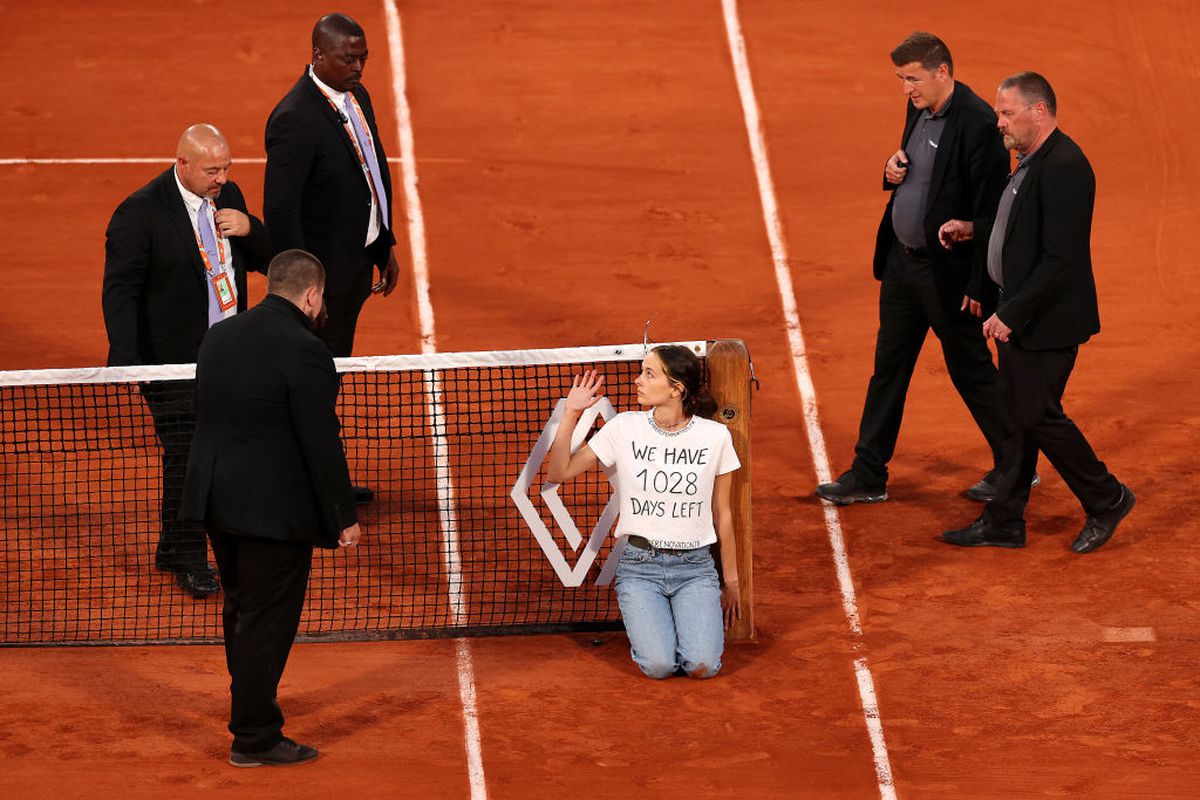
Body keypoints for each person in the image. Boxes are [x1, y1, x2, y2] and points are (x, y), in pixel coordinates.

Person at [816, 32, 1022, 506]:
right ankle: (868, 473)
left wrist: (980, 284)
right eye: (901, 79)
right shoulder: (919, 108)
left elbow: (993, 211)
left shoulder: (978, 125)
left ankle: (1016, 464)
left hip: (948, 276)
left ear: (942, 72)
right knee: (888, 368)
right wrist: (891, 171)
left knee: (970, 370)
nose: (906, 89)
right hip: (902, 268)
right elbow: (919, 171)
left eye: (912, 79)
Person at [940, 73, 1134, 553]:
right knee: (1018, 415)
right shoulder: (1031, 161)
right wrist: (975, 233)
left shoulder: (1065, 166)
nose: (999, 121)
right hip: (1023, 314)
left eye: (1007, 113)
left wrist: (1013, 313)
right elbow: (1017, 231)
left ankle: (1106, 496)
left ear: (1039, 111)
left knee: (1037, 415)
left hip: (1047, 321)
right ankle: (1004, 519)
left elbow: (1061, 259)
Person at [182, 249, 361, 766]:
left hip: (216, 500)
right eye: (321, 297)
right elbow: (320, 441)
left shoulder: (219, 336)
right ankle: (255, 736)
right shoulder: (305, 350)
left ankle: (249, 708)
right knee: (266, 621)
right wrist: (342, 515)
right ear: (311, 295)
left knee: (240, 608)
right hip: (272, 514)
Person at [102, 124, 270, 597]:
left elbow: (265, 258)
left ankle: (177, 546)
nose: (222, 178)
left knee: (215, 454)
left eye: (226, 168)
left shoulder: (227, 196)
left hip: (229, 354)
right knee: (189, 458)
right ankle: (190, 557)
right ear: (183, 165)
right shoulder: (139, 214)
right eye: (212, 170)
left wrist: (250, 228)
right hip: (173, 363)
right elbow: (120, 292)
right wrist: (129, 363)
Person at [547, 346, 741, 679]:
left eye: (649, 374)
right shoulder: (625, 427)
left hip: (696, 569)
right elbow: (559, 472)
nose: (637, 380)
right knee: (659, 666)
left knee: (702, 666)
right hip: (640, 568)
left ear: (676, 388)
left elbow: (722, 513)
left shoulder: (715, 437)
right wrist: (570, 413)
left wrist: (732, 581)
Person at [263, 12, 400, 360]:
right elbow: (281, 212)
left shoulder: (357, 95)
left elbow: (370, 170)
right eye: (349, 59)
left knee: (336, 358)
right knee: (312, 367)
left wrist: (383, 244)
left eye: (363, 58)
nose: (359, 68)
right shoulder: (294, 119)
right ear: (318, 56)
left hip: (356, 262)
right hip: (321, 280)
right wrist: (303, 288)